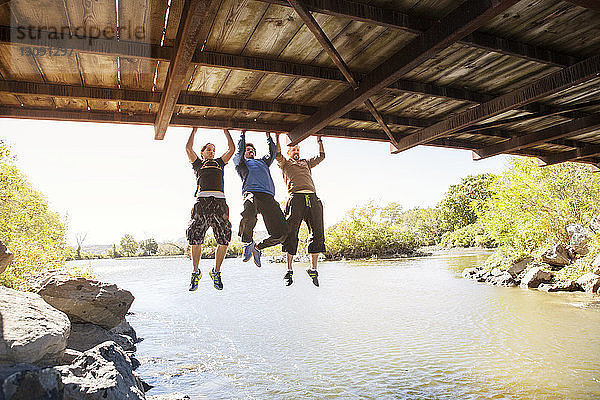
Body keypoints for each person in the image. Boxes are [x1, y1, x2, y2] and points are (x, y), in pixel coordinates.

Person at [185, 128, 235, 291]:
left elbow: (232, 149)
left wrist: (226, 131)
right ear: (202, 152)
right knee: (195, 237)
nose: (212, 152)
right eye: (209, 149)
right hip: (202, 201)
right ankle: (195, 272)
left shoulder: (220, 163)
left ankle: (216, 272)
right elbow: (188, 148)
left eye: (214, 150)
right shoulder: (198, 163)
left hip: (220, 202)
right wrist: (194, 130)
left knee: (224, 238)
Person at [275, 133, 326, 287]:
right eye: (293, 150)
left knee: (317, 232)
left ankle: (313, 269)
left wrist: (319, 140)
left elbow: (321, 156)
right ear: (289, 152)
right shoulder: (284, 163)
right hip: (295, 198)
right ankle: (289, 270)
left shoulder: (306, 163)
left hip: (312, 198)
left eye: (298, 149)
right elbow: (277, 154)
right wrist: (277, 137)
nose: (296, 152)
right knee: (291, 232)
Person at [233, 131, 287, 267]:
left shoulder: (263, 162)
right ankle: (247, 241)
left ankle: (258, 248)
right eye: (247, 149)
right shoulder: (241, 163)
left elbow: (272, 153)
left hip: (268, 195)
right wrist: (242, 134)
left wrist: (269, 137)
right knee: (248, 213)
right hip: (251, 192)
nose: (249, 151)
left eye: (252, 150)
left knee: (281, 233)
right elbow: (239, 152)